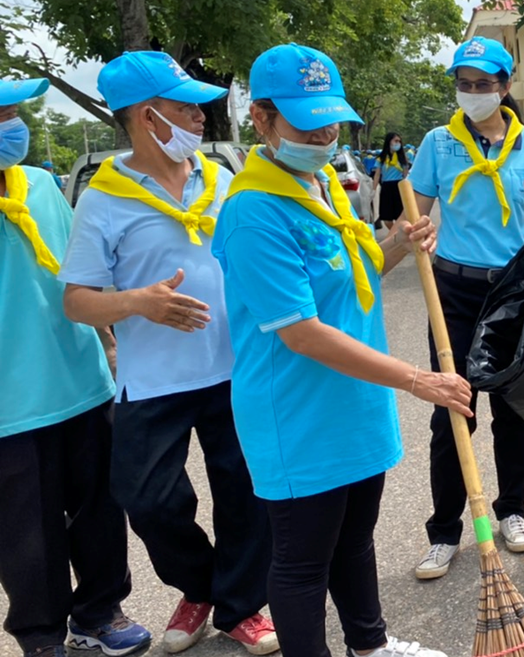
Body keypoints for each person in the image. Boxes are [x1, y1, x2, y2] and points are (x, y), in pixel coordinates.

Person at [212, 42, 471, 657]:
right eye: (308, 120)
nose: (325, 132)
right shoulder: (255, 211)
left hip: (353, 399)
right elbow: (301, 331)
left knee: (355, 539)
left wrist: (400, 243)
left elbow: (351, 279)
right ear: (263, 118)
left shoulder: (323, 182)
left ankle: (370, 645)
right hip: (297, 413)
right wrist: (416, 379)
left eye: (332, 117)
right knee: (302, 562)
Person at [60, 52, 278, 655]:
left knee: (246, 490)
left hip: (235, 366)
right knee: (147, 498)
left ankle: (240, 606)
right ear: (147, 116)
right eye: (185, 107)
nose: (200, 116)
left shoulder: (221, 178)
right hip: (153, 379)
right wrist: (137, 304)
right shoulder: (102, 199)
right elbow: (77, 302)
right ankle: (199, 585)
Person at [407, 36, 524, 581]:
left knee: (512, 408)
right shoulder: (438, 142)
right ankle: (444, 532)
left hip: (513, 292)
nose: (472, 94)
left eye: (483, 85)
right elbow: (417, 210)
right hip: (452, 290)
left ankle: (513, 510)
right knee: (451, 409)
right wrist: (414, 233)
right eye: (464, 84)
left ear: (504, 88)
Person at [0, 77, 152, 657]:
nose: (14, 124)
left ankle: (98, 613)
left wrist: (109, 347)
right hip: (10, 407)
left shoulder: (39, 185)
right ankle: (40, 638)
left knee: (99, 511)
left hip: (81, 383)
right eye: (1, 114)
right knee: (26, 533)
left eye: (14, 110)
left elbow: (79, 277)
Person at [372, 132, 411, 230]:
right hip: (386, 188)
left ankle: (398, 238)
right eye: (395, 141)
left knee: (400, 217)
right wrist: (373, 189)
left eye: (399, 141)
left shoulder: (403, 158)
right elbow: (377, 175)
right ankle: (395, 233)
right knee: (386, 219)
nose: (398, 143)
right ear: (389, 142)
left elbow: (406, 175)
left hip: (399, 187)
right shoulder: (381, 158)